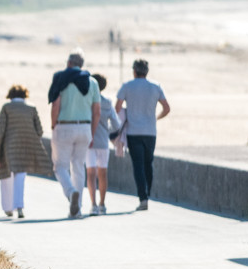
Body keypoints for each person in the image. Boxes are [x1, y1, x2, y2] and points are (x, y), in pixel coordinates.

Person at [48, 49, 100, 218]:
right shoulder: (92, 82)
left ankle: (71, 194)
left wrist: (53, 124)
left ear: (69, 63)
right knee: (78, 166)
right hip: (84, 127)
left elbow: (55, 104)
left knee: (60, 166)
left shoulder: (61, 78)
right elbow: (97, 111)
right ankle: (77, 209)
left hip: (64, 126)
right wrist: (91, 133)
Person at [115, 59, 170, 212]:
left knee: (138, 165)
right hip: (150, 131)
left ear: (134, 71)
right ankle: (147, 193)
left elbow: (117, 107)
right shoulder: (155, 86)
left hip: (133, 131)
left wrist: (127, 113)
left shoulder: (127, 86)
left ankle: (143, 198)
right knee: (148, 163)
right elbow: (166, 108)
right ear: (147, 71)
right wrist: (156, 117)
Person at [0, 85, 54, 218]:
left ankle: (8, 208)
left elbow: (0, 132)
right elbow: (40, 131)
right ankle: (19, 207)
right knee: (20, 177)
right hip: (26, 147)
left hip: (8, 147)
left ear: (11, 95)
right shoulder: (31, 108)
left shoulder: (6, 108)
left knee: (6, 177)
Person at [85, 73, 121, 215]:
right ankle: (102, 204)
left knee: (90, 174)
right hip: (103, 142)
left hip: (89, 142)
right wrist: (109, 133)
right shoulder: (107, 102)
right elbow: (116, 123)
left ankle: (93, 204)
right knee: (103, 174)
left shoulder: (87, 101)